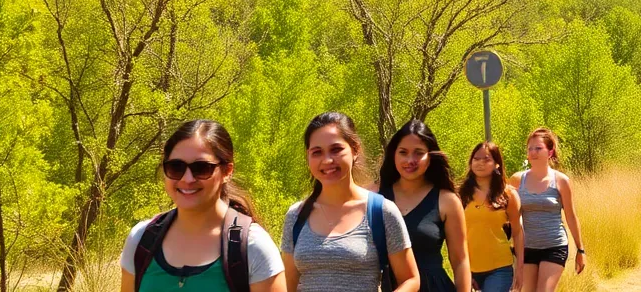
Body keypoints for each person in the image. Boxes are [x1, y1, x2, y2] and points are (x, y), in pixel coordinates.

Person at [121, 119, 286, 292]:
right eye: (176, 167)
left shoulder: (253, 247)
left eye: (201, 168)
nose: (187, 179)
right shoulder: (141, 240)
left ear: (227, 172)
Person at [282, 112, 420, 292]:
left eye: (336, 149)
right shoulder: (296, 216)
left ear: (355, 150)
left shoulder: (382, 211)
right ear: (308, 157)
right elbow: (287, 285)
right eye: (317, 152)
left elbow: (410, 279)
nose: (327, 160)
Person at [379, 120, 471, 292]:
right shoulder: (374, 196)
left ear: (430, 157)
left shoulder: (447, 201)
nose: (410, 160)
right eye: (403, 152)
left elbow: (460, 261)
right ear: (393, 155)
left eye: (418, 153)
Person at [510, 128, 586, 291]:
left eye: (538, 148)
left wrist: (580, 250)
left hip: (554, 246)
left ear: (550, 152)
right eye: (530, 148)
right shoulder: (517, 180)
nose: (533, 152)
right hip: (527, 248)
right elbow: (509, 216)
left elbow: (571, 216)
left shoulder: (561, 181)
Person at [459, 142, 524, 292]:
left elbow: (518, 232)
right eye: (476, 159)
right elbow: (455, 237)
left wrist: (520, 269)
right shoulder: (460, 195)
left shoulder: (509, 194)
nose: (480, 163)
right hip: (468, 267)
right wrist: (464, 271)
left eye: (486, 159)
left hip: (500, 268)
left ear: (497, 165)